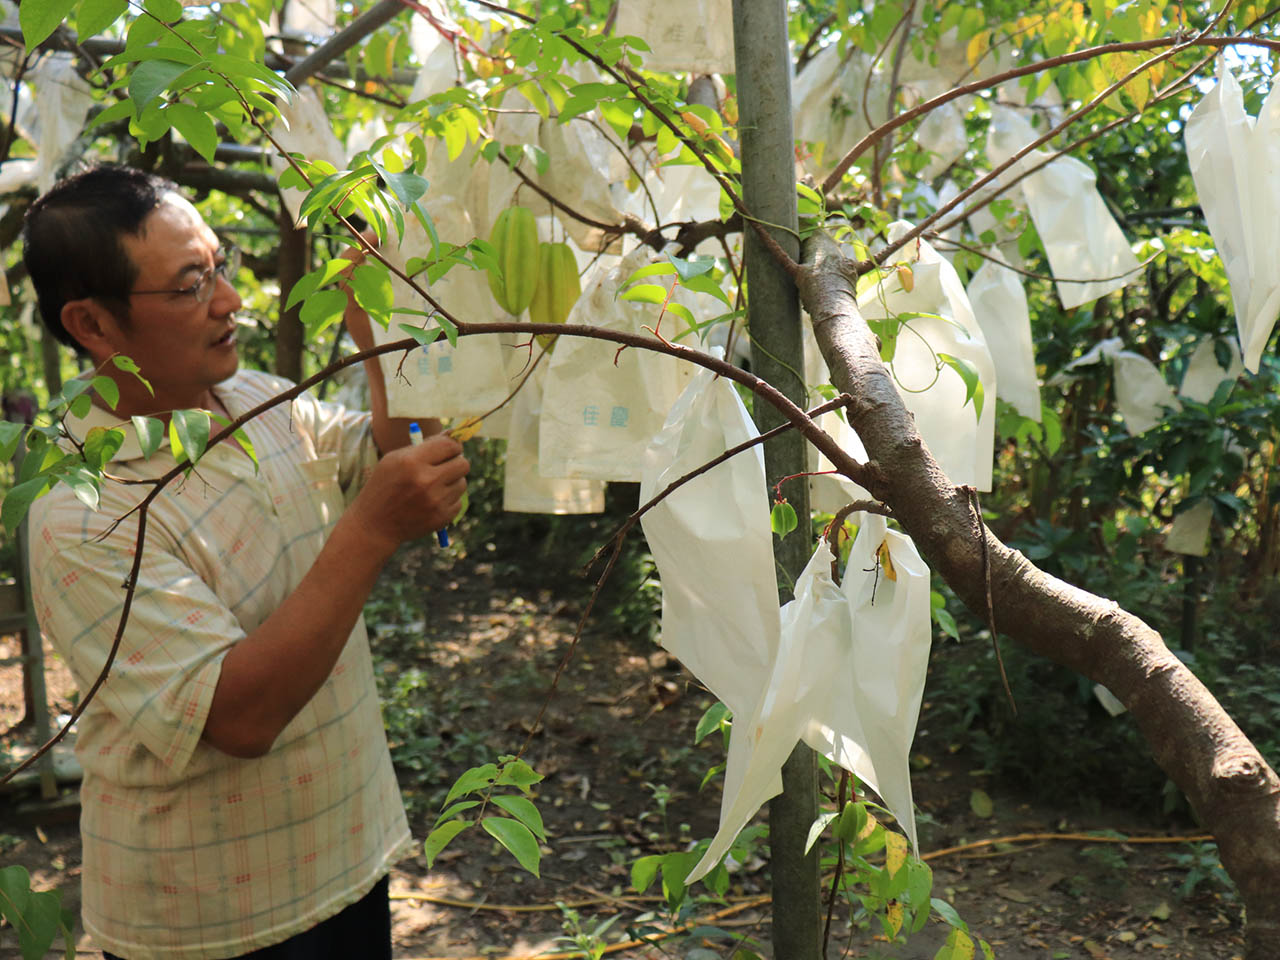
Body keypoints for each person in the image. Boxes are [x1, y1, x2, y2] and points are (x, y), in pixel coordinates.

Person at [21, 165, 469, 960]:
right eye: (192, 283)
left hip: (345, 857)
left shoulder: (257, 402)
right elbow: (239, 717)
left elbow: (400, 459)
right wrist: (367, 532)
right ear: (92, 325)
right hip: (208, 919)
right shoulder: (82, 515)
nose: (230, 300)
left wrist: (377, 334)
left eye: (220, 267)